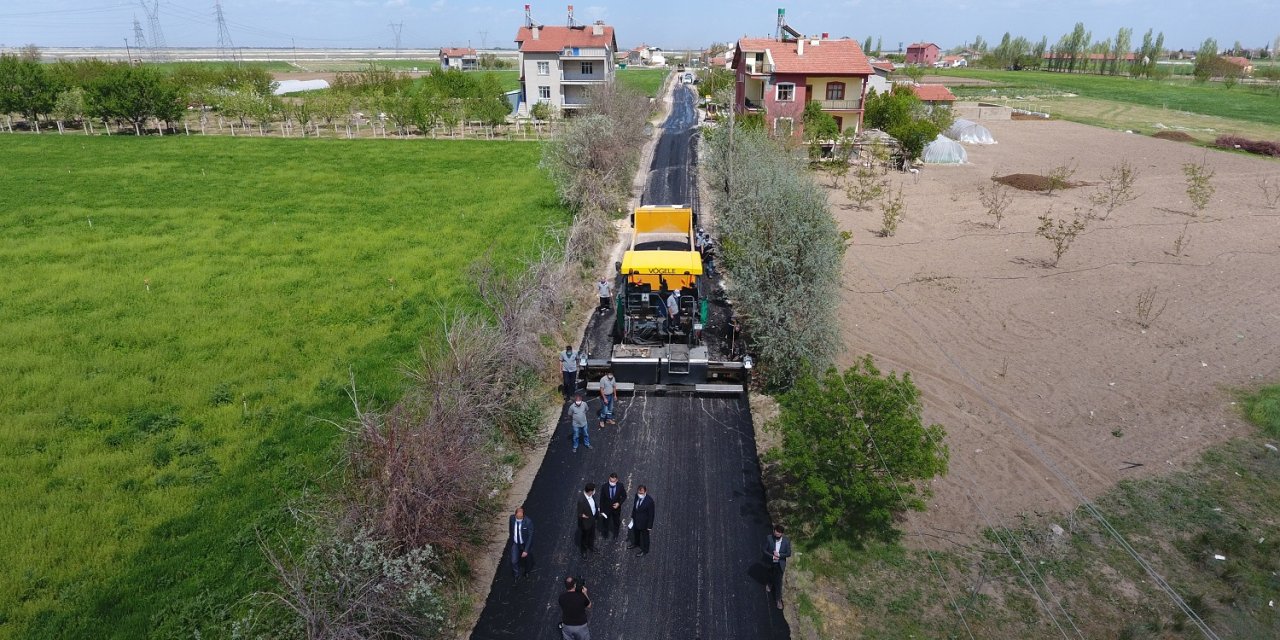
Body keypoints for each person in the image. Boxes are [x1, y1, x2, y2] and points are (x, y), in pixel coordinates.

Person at [763, 523, 792, 610]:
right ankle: (769, 583)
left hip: (780, 564)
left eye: (779, 532)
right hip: (771, 562)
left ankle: (778, 600)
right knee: (770, 574)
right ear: (774, 531)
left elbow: (788, 553)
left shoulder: (786, 542)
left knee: (779, 582)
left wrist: (779, 555)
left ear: (782, 534)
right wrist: (772, 556)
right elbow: (764, 550)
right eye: (776, 531)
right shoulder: (769, 538)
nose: (777, 533)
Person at [628, 485, 655, 557]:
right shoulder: (636, 496)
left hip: (644, 523)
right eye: (639, 493)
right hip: (636, 520)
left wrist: (650, 526)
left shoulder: (650, 501)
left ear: (645, 492)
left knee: (645, 537)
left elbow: (651, 514)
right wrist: (632, 517)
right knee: (636, 533)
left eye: (641, 493)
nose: (640, 495)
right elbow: (635, 507)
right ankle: (636, 543)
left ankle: (645, 550)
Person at [508, 506, 533, 580]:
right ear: (515, 515)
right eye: (518, 518)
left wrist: (526, 550)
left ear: (523, 515)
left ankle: (527, 572)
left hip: (524, 543)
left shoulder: (528, 522)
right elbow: (511, 529)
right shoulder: (511, 518)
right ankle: (516, 575)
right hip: (515, 543)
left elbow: (530, 537)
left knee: (527, 560)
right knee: (513, 561)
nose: (519, 519)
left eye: (521, 517)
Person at [601, 473, 626, 540]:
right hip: (606, 509)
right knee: (605, 522)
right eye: (610, 481)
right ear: (609, 478)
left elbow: (624, 496)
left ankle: (616, 535)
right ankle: (605, 534)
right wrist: (601, 511)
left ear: (617, 480)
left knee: (616, 522)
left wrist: (619, 503)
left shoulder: (620, 486)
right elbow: (602, 499)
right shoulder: (604, 486)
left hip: (616, 509)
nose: (612, 483)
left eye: (613, 481)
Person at [577, 483, 599, 558]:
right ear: (590, 491)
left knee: (592, 535)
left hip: (592, 520)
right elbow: (579, 514)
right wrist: (586, 516)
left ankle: (591, 546)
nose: (594, 491)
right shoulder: (581, 500)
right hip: (586, 523)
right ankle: (584, 551)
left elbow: (593, 506)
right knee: (585, 538)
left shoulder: (591, 496)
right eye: (593, 490)